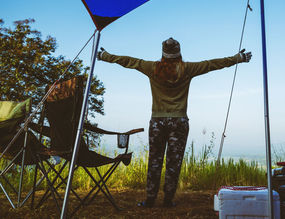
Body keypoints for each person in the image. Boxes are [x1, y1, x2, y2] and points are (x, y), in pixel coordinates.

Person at [97, 37, 252, 208]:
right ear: (179, 54)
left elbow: (128, 61)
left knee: (155, 160)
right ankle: (168, 200)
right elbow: (212, 64)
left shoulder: (152, 67)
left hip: (157, 121)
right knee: (173, 162)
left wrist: (105, 56)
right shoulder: (188, 68)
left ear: (163, 54)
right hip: (179, 121)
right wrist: (238, 58)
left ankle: (150, 199)